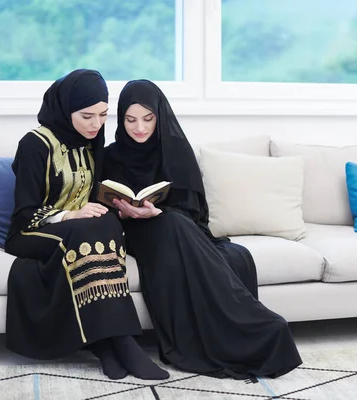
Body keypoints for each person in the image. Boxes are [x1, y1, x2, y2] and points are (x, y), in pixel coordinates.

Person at [101, 79, 302, 380]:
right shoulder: (110, 155)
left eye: (147, 118)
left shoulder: (176, 149)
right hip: (135, 235)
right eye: (130, 120)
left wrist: (157, 211)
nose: (139, 128)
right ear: (121, 118)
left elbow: (194, 210)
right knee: (173, 224)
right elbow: (102, 206)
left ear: (160, 115)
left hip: (175, 229)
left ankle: (251, 329)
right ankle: (254, 324)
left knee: (216, 244)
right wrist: (126, 212)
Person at [4, 69, 169, 381]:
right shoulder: (34, 144)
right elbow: (24, 213)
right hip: (31, 231)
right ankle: (119, 342)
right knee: (83, 231)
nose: (96, 124)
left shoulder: (91, 141)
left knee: (105, 223)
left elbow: (92, 197)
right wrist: (68, 215)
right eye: (87, 116)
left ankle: (104, 343)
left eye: (103, 115)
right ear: (66, 111)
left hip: (79, 230)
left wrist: (123, 207)